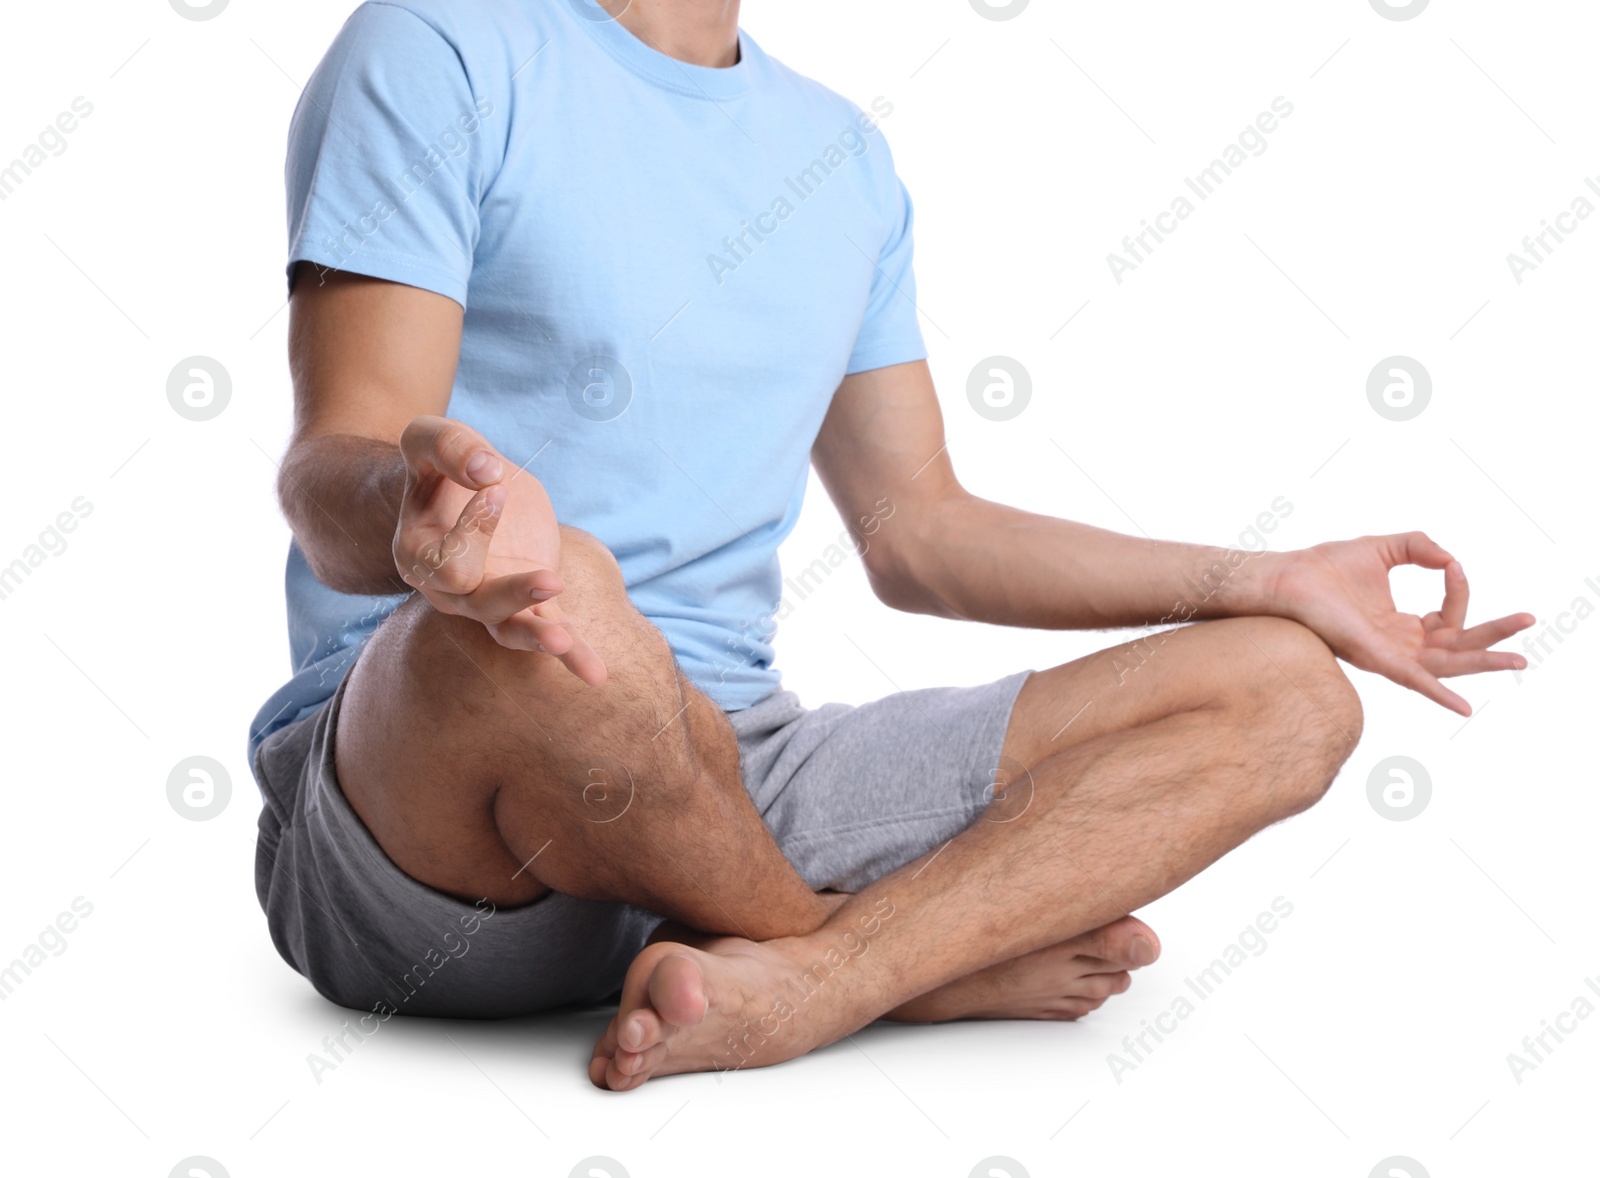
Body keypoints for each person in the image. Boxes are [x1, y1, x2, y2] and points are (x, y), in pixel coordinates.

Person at [249, 0, 1532, 1091]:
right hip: (430, 822)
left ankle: (806, 978)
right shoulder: (440, 46)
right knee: (561, 596)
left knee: (1290, 689)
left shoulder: (836, 156)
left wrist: (1271, 580)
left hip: (726, 768)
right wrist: (421, 524)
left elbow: (921, 533)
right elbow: (329, 466)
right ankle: (877, 967)